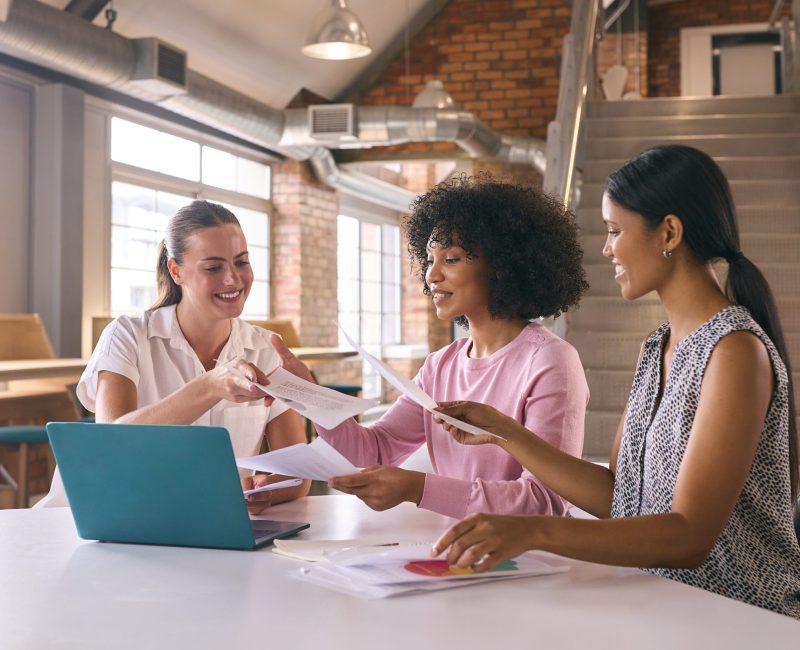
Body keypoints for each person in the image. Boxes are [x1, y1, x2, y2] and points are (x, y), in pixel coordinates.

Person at [432, 146, 800, 618]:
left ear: (669, 232)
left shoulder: (734, 352)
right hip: (672, 609)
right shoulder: (658, 346)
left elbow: (688, 537)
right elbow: (620, 498)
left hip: (744, 620)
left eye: (614, 231)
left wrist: (534, 530)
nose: (606, 249)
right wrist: (506, 432)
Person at [270, 174, 589, 519]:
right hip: (457, 551)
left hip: (530, 559)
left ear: (502, 265)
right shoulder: (441, 365)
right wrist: (308, 394)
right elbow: (374, 451)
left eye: (451, 259)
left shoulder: (550, 360)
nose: (431, 275)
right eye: (429, 259)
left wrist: (418, 488)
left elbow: (545, 502)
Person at [37, 200, 309, 510]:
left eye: (241, 262)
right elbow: (110, 445)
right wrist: (210, 386)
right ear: (176, 270)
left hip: (208, 522)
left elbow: (297, 474)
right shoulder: (128, 335)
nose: (233, 278)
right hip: (109, 517)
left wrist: (262, 491)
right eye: (214, 267)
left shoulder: (265, 349)